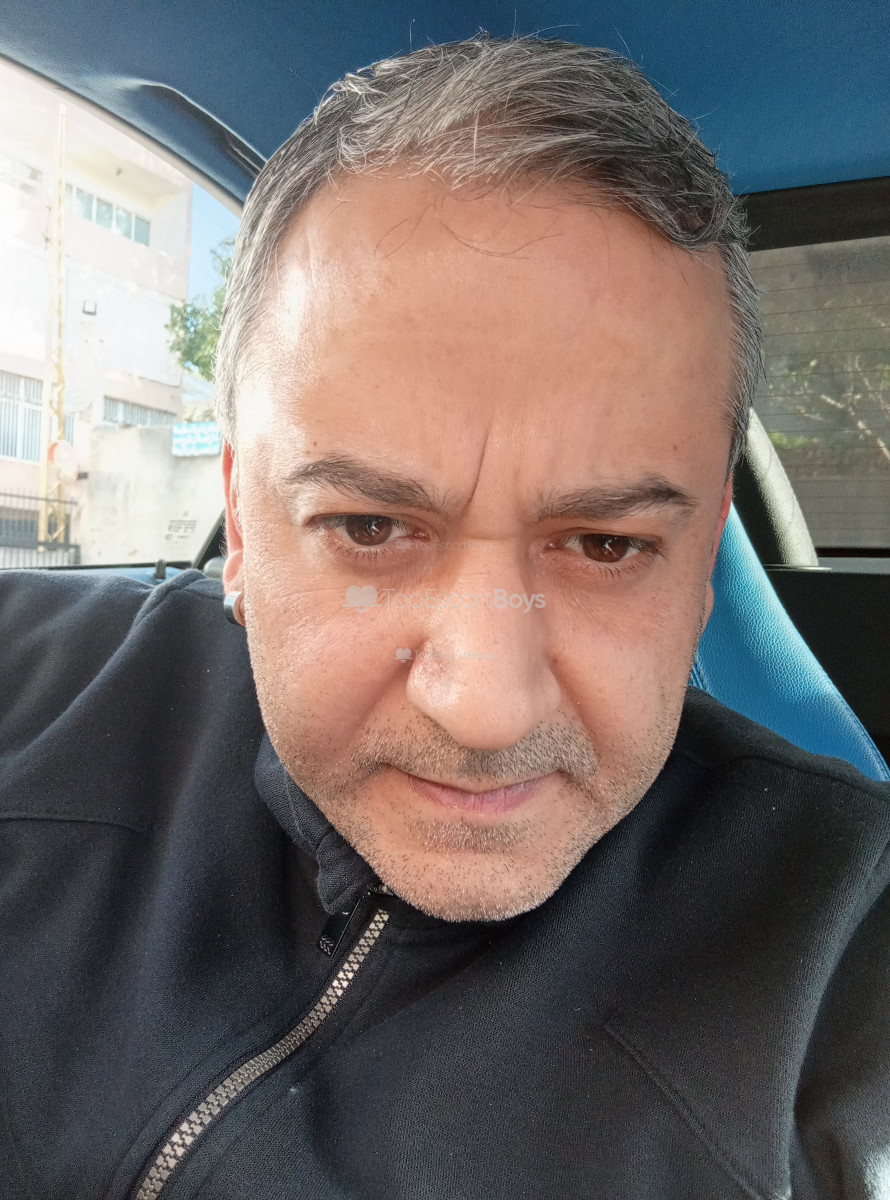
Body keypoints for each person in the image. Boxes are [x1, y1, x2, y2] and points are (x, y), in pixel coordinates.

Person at [0, 35, 887, 1200]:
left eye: (606, 545)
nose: (482, 709)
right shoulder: (28, 683)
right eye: (369, 526)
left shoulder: (841, 947)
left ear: (699, 563)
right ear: (240, 523)